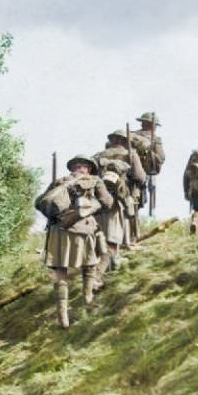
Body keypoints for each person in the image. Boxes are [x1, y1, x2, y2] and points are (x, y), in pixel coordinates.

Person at [36, 155, 113, 327]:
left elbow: (40, 202)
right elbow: (107, 203)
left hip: (57, 230)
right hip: (82, 230)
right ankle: (88, 300)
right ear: (89, 168)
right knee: (90, 265)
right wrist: (93, 207)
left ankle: (63, 316)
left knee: (60, 271)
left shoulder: (60, 181)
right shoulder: (94, 180)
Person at [93, 130, 147, 279]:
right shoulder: (131, 154)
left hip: (98, 201)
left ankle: (105, 268)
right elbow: (140, 177)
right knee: (115, 237)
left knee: (101, 236)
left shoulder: (98, 156)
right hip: (120, 199)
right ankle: (103, 274)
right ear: (125, 141)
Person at [133, 112, 166, 216]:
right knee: (139, 199)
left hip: (128, 171)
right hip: (143, 172)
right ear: (152, 125)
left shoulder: (130, 135)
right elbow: (161, 157)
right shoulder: (155, 139)